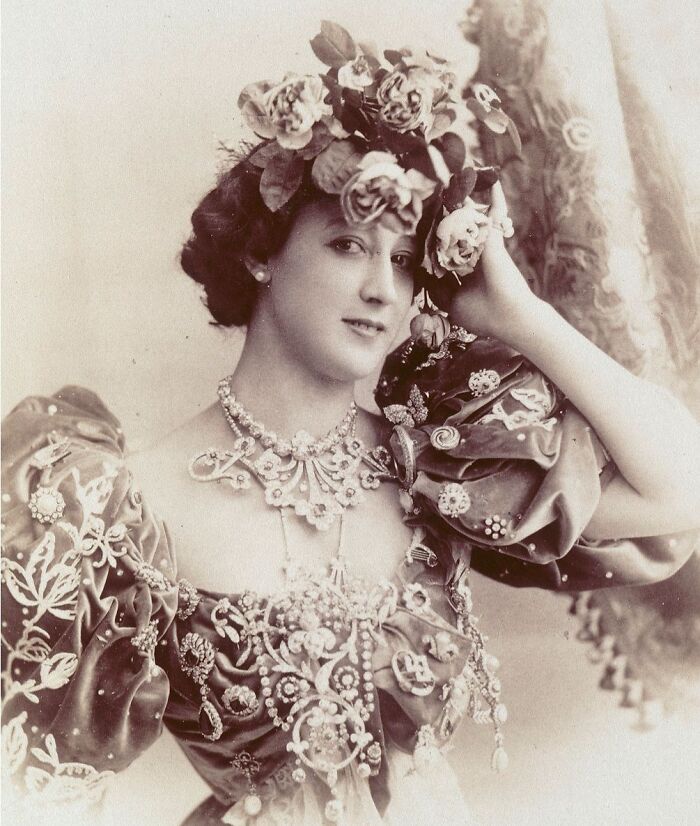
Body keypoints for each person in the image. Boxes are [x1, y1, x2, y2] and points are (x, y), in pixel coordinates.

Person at [2, 20, 698, 826]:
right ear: (263, 252)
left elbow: (680, 490)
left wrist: (524, 315)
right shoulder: (123, 502)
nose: (380, 289)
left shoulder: (438, 465)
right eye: (345, 244)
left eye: (403, 260)